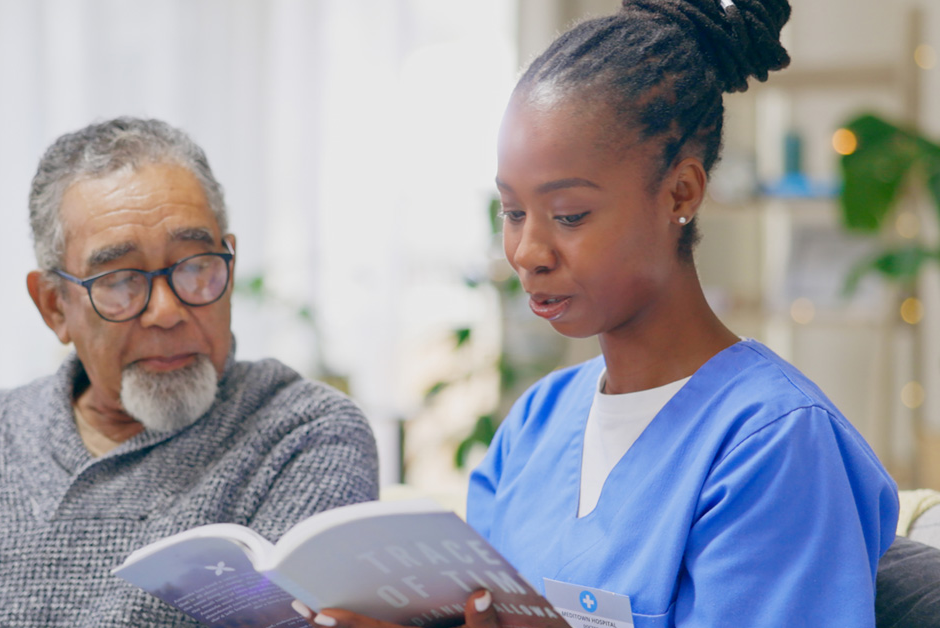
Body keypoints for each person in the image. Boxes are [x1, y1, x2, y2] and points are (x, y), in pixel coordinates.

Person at [293, 1, 897, 627]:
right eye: (512, 212)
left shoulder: (773, 445)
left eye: (570, 215)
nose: (527, 253)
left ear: (680, 193)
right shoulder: (536, 424)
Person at [0, 117, 379, 628]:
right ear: (55, 306)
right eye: (121, 280)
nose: (167, 310)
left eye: (197, 267)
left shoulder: (304, 434)